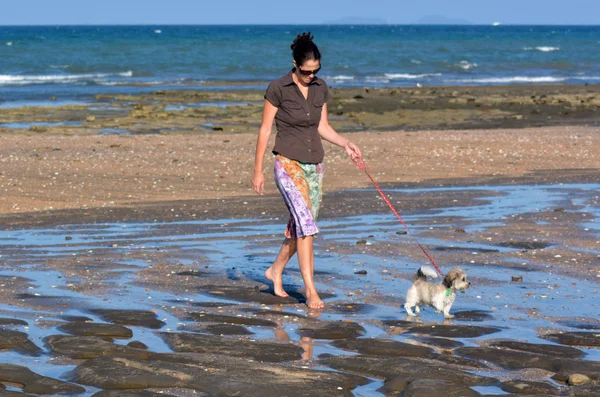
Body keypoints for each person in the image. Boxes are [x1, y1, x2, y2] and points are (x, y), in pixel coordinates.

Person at [252, 32, 362, 309]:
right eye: (306, 71)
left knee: (301, 226)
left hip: (315, 165)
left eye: (316, 71)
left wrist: (345, 143)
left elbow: (322, 127)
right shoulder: (278, 88)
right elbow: (265, 130)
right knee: (307, 229)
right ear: (295, 64)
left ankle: (275, 270)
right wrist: (258, 170)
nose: (311, 76)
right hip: (287, 164)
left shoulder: (320, 88)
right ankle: (311, 290)